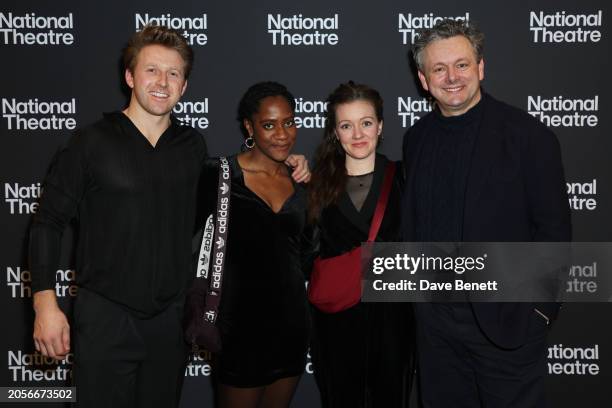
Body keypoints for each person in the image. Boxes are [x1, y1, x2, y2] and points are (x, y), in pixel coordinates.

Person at [29, 26, 309, 408]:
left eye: (173, 73)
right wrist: (45, 303)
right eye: (152, 70)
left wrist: (288, 163)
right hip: (105, 317)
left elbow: (241, 177)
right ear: (129, 76)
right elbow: (47, 222)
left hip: (169, 321)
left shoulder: (192, 146)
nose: (163, 82)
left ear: (184, 85)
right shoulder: (90, 142)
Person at [401, 20, 571, 407]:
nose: (452, 77)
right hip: (436, 332)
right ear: (423, 80)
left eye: (461, 64)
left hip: (506, 326)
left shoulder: (529, 137)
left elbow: (554, 234)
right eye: (438, 68)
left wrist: (539, 314)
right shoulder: (417, 139)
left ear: (480, 68)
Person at [193, 82, 312, 408]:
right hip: (238, 330)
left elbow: (308, 255)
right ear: (249, 126)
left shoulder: (301, 183)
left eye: (289, 122)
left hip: (291, 326)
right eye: (269, 125)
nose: (282, 134)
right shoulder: (218, 175)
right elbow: (192, 246)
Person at [307, 81, 415, 407]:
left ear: (380, 126)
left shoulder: (405, 177)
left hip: (395, 321)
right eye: (346, 125)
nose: (358, 134)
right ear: (335, 132)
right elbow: (304, 252)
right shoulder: (315, 185)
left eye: (366, 123)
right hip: (336, 323)